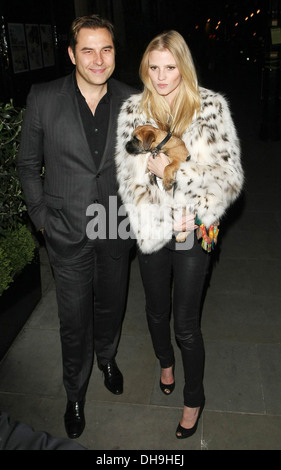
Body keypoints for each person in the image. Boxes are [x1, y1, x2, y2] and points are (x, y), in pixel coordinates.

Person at [115, 30, 244, 438]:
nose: (161, 76)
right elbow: (126, 180)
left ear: (183, 66)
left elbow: (229, 177)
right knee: (156, 310)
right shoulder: (133, 111)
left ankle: (194, 397)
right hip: (154, 227)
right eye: (153, 67)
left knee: (186, 322)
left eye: (169, 67)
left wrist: (188, 193)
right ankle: (164, 362)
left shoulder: (211, 107)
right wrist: (149, 212)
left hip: (193, 230)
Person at [18, 15, 137, 439]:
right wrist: (41, 219)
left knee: (111, 303)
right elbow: (28, 165)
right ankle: (75, 392)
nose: (98, 58)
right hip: (65, 228)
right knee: (73, 319)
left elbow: (146, 163)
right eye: (87, 49)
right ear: (71, 54)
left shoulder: (132, 100)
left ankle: (107, 357)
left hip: (115, 224)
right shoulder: (44, 98)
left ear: (114, 53)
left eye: (106, 49)